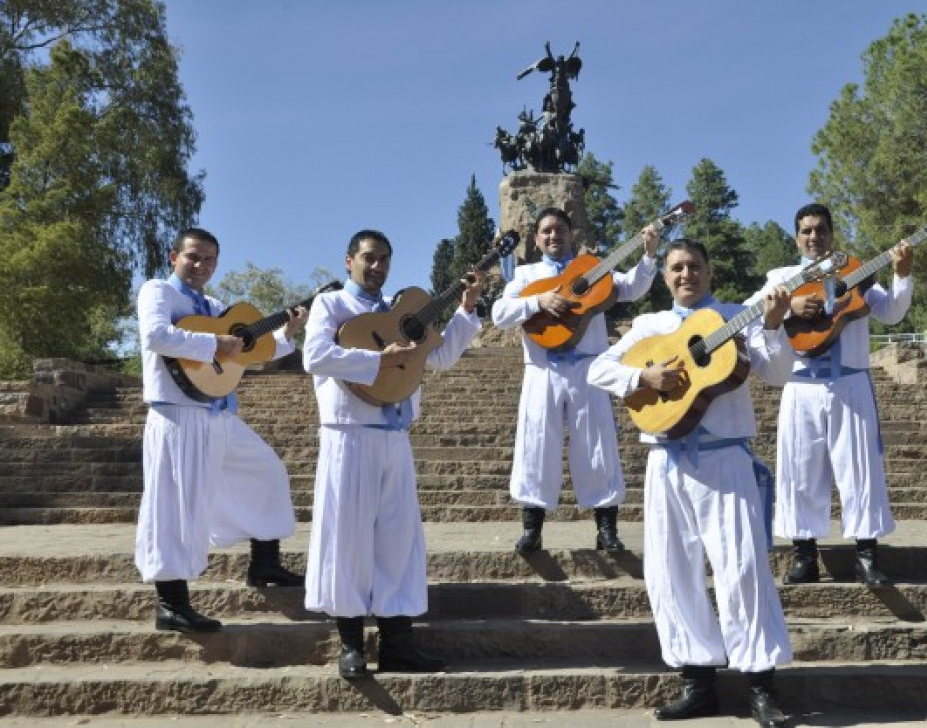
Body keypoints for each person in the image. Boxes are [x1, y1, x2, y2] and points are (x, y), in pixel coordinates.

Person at [588, 239, 794, 727]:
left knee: (743, 568)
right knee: (670, 571)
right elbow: (598, 368)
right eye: (677, 268)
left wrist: (773, 323)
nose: (686, 274)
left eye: (694, 266)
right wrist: (645, 376)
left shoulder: (735, 315)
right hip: (664, 459)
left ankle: (760, 684)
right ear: (664, 277)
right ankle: (697, 681)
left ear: (710, 271)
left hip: (725, 459)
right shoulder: (649, 327)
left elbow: (780, 373)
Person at [301, 229, 483, 679]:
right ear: (349, 261)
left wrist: (467, 308)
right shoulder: (332, 305)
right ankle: (350, 644)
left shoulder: (403, 311)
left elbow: (438, 359)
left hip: (395, 437)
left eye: (384, 259)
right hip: (348, 435)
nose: (377, 266)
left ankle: (398, 641)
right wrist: (378, 360)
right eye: (368, 258)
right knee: (347, 539)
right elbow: (314, 355)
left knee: (399, 542)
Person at [135, 227, 307, 634]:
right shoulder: (158, 291)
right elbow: (155, 335)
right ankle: (171, 603)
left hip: (218, 415)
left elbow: (251, 351)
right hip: (177, 414)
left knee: (266, 471)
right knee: (175, 506)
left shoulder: (213, 305)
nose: (201, 265)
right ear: (173, 257)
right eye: (193, 257)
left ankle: (264, 563)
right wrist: (213, 345)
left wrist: (287, 333)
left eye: (209, 259)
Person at [750, 202, 913, 588]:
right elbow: (747, 314)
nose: (813, 236)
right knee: (799, 470)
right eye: (806, 230)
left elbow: (890, 313)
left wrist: (902, 275)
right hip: (801, 384)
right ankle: (804, 556)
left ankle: (867, 555)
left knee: (861, 470)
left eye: (820, 229)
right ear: (796, 238)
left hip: (850, 384)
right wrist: (787, 308)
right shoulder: (783, 277)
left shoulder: (856, 274)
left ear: (831, 234)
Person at [491, 207, 660, 554]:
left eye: (561, 230)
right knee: (536, 445)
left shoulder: (591, 270)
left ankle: (606, 529)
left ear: (572, 236)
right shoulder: (526, 275)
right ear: (537, 239)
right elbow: (499, 314)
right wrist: (538, 300)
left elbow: (632, 288)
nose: (554, 236)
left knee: (597, 445)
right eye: (547, 231)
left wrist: (649, 254)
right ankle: (532, 530)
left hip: (588, 368)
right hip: (542, 370)